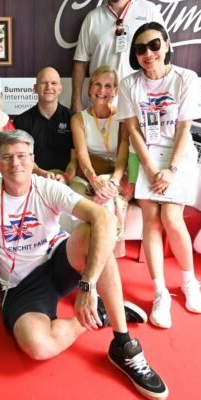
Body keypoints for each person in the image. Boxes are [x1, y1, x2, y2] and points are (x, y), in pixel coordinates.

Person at [0, 130, 168, 400]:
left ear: (32, 159)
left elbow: (104, 219)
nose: (16, 164)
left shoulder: (47, 186)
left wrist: (88, 284)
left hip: (60, 260)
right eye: (8, 157)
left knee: (95, 233)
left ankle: (123, 344)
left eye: (22, 156)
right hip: (20, 284)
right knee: (38, 345)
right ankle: (101, 312)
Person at [116, 22, 201, 329]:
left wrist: (171, 169)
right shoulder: (129, 84)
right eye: (140, 48)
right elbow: (132, 131)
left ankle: (189, 282)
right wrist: (150, 168)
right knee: (151, 221)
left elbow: (185, 128)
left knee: (171, 217)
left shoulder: (185, 78)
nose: (148, 53)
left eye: (154, 45)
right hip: (146, 156)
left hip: (178, 156)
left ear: (167, 44)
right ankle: (160, 293)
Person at [71, 0, 166, 112]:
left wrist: (161, 95)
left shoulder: (149, 10)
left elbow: (163, 56)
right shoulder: (92, 18)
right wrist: (76, 101)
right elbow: (80, 62)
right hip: (102, 100)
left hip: (141, 100)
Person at [69, 65, 133, 258]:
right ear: (89, 88)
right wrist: (93, 178)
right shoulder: (78, 119)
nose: (101, 90)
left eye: (108, 86)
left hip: (118, 174)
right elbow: (82, 154)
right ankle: (109, 251)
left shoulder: (123, 117)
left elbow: (123, 153)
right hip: (91, 172)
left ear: (115, 91)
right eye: (97, 84)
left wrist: (114, 180)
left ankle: (101, 252)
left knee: (107, 196)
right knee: (105, 195)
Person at [13, 67, 76, 182]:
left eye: (54, 83)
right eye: (44, 83)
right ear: (35, 88)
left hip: (67, 177)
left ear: (60, 89)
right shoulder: (22, 121)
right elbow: (23, 157)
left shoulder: (73, 118)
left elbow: (75, 159)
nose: (49, 87)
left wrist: (66, 177)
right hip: (33, 176)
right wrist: (41, 173)